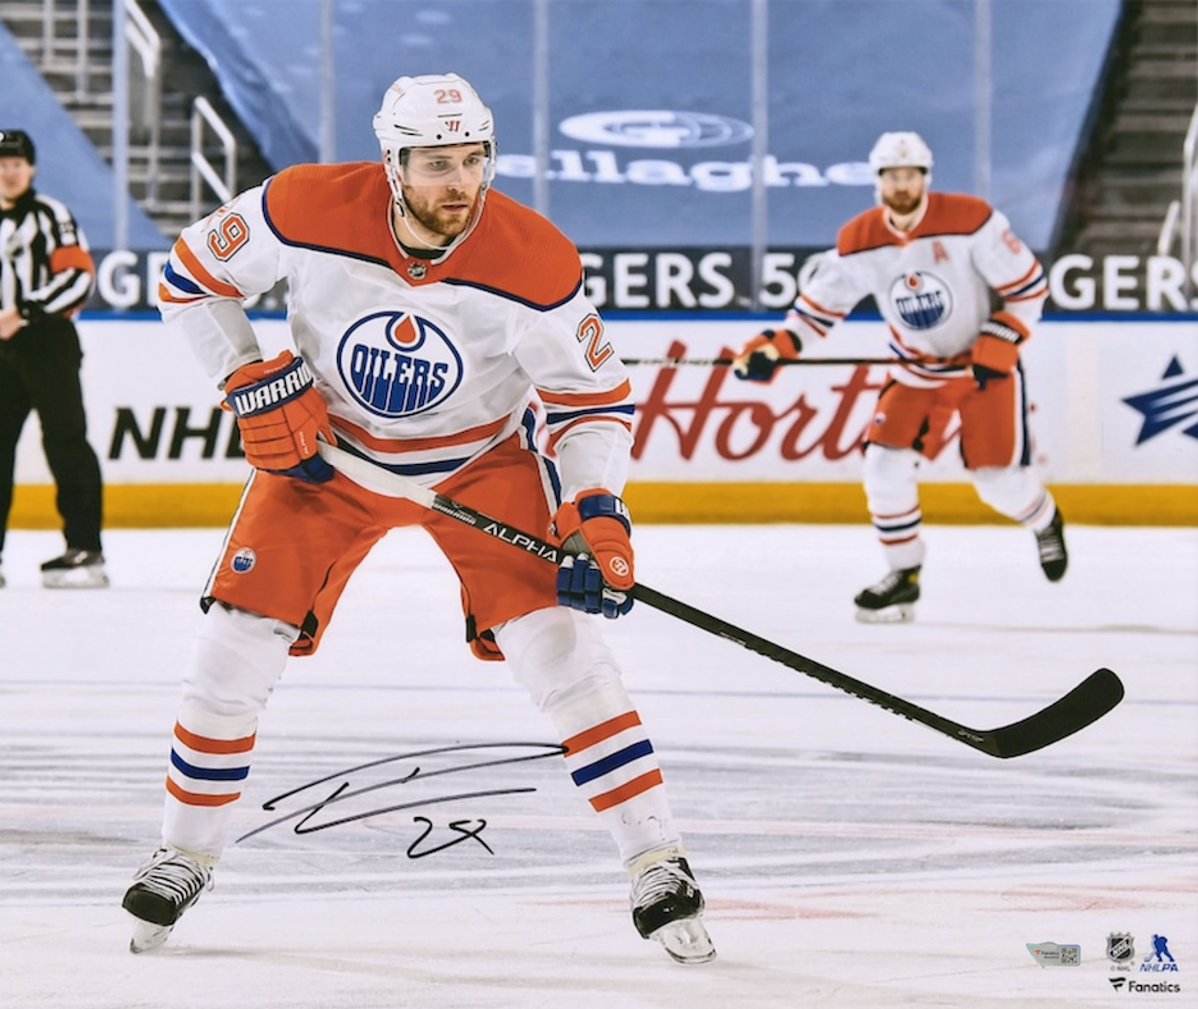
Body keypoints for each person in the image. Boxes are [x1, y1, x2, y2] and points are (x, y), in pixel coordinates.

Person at [121, 73, 714, 965]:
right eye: (436, 164)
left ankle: (656, 857)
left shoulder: (535, 258)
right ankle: (183, 851)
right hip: (329, 459)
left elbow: (591, 399)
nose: (461, 183)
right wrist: (243, 375)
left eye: (474, 160)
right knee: (232, 649)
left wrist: (596, 511)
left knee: (565, 652)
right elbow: (189, 276)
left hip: (482, 464)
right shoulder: (302, 206)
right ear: (392, 162)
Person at [732, 131, 1067, 623]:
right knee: (883, 470)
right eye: (893, 176)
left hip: (982, 370)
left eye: (911, 176)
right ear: (879, 181)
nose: (902, 185)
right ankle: (904, 576)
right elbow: (818, 312)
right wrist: (775, 348)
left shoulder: (970, 220)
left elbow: (1029, 288)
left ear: (925, 179)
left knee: (1000, 484)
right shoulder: (859, 240)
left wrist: (1001, 337)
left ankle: (1044, 520)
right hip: (914, 374)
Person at [0, 129, 108, 590]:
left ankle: (86, 551)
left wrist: (26, 311)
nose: (9, 171)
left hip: (48, 341)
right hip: (2, 350)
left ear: (31, 168)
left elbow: (78, 277)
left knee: (66, 442)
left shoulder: (51, 216)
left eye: (17, 162)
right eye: (1, 163)